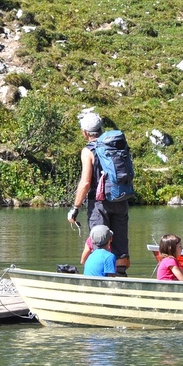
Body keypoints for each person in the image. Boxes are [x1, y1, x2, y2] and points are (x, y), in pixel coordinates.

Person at [67, 112, 130, 275]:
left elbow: (86, 183)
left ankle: (97, 280)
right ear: (102, 129)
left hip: (99, 203)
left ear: (85, 133)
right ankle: (121, 276)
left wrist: (75, 208)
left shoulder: (88, 151)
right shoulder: (116, 144)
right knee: (121, 244)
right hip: (120, 198)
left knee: (100, 243)